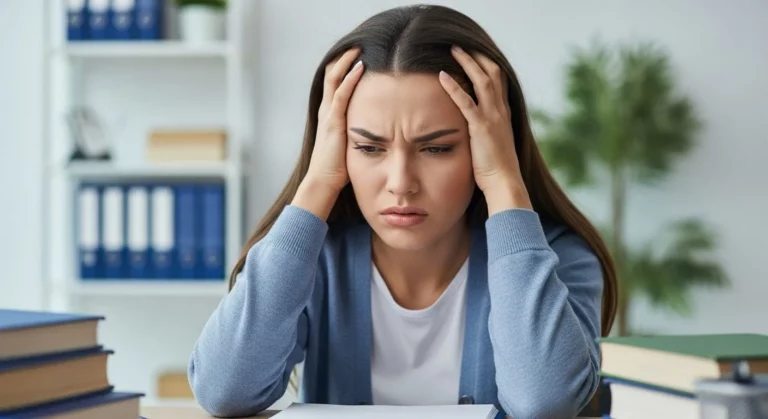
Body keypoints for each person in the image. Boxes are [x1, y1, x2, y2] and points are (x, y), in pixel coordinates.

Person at [188, 4, 618, 419]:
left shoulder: (558, 259)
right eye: (369, 147)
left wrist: (505, 182)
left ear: (488, 146)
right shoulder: (316, 259)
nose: (400, 182)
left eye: (436, 148)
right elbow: (224, 390)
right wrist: (316, 183)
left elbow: (543, 401)